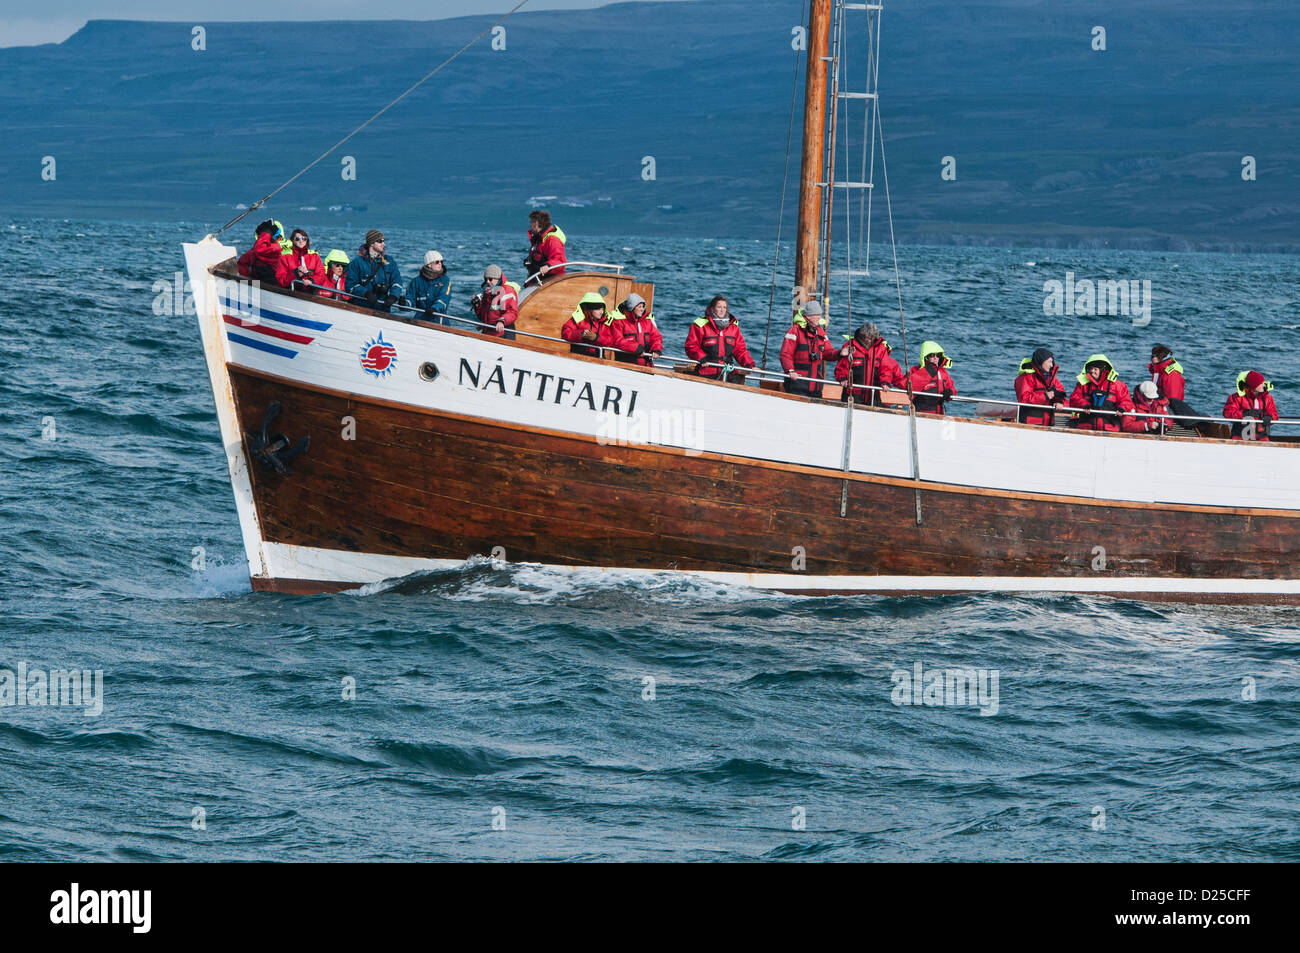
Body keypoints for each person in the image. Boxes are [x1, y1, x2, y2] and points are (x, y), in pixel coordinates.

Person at [685, 295, 756, 382]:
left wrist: (750, 365)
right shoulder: (700, 326)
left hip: (728, 372)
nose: (722, 310)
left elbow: (740, 350)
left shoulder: (733, 328)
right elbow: (691, 346)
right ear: (712, 309)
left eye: (724, 307)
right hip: (706, 372)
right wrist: (702, 358)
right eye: (719, 307)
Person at [835, 322, 906, 405]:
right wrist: (842, 378)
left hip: (873, 394)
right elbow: (842, 365)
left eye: (871, 337)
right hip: (852, 393)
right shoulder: (850, 346)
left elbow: (886, 367)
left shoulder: (881, 349)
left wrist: (885, 382)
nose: (868, 340)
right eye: (866, 337)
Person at [779, 300, 839, 397]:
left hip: (815, 387)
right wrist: (790, 371)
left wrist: (840, 353)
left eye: (820, 315)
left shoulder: (820, 332)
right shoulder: (795, 330)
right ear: (808, 316)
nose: (819, 317)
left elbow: (828, 352)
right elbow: (785, 354)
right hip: (797, 384)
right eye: (816, 315)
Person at [1069, 354, 1135, 432]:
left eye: (1095, 369)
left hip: (1111, 429)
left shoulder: (1118, 385)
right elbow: (1074, 399)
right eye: (1091, 369)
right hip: (1086, 428)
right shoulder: (1082, 385)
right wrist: (1084, 404)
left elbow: (1127, 401)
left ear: (1102, 370)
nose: (1092, 371)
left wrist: (1122, 408)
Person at [345, 230, 405, 311]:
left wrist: (393, 296)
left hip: (383, 308)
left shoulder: (390, 261)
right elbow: (350, 285)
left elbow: (397, 281)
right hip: (361, 307)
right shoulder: (357, 262)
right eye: (380, 241)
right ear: (372, 243)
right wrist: (365, 293)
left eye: (384, 241)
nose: (383, 244)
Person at [1014, 347, 1067, 426]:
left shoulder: (1052, 378)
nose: (1051, 365)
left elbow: (1062, 392)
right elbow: (1024, 399)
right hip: (1029, 424)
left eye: (1052, 362)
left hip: (1048, 424)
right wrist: (1045, 396)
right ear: (1041, 362)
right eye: (1049, 362)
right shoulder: (1026, 377)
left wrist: (1059, 402)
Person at [607, 293, 663, 366]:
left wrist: (657, 349)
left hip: (647, 365)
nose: (642, 309)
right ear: (632, 308)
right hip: (625, 364)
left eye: (643, 307)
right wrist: (635, 347)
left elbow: (656, 337)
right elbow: (617, 340)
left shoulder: (648, 322)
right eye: (639, 307)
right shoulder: (618, 322)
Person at [1223, 370, 1279, 441]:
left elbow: (1275, 415)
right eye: (1260, 383)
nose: (1263, 384)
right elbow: (1227, 413)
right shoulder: (1236, 398)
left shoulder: (1268, 398)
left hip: (1261, 437)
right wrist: (1244, 414)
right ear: (1254, 386)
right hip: (1239, 437)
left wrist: (1270, 418)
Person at [907, 341, 958, 414]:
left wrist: (950, 392)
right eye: (932, 355)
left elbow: (952, 388)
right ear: (926, 357)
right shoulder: (915, 370)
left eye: (938, 355)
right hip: (920, 412)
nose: (935, 358)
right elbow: (907, 387)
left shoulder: (943, 372)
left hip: (938, 414)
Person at [470, 265, 518, 339]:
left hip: (504, 333)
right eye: (485, 279)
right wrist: (478, 306)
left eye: (490, 279)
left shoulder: (508, 291)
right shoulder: (487, 293)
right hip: (489, 333)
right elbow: (483, 317)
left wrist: (502, 321)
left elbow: (512, 312)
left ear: (497, 279)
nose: (487, 282)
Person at [561, 292, 613, 357]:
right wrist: (581, 334)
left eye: (603, 309)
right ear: (590, 309)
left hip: (598, 359)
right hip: (577, 358)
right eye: (598, 309)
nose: (602, 312)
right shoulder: (578, 319)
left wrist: (596, 338)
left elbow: (611, 340)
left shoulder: (606, 322)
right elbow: (565, 332)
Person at [408, 250, 452, 323]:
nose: (440, 264)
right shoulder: (416, 281)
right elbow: (410, 298)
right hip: (420, 319)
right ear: (429, 264)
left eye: (441, 262)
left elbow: (445, 297)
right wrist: (404, 303)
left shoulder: (445, 280)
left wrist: (434, 308)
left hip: (439, 321)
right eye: (437, 262)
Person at [236, 219, 285, 284]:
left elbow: (260, 249)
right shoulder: (255, 251)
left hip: (272, 285)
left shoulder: (275, 248)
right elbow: (241, 263)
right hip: (258, 284)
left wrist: (265, 233)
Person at [525, 210, 567, 281]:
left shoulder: (552, 239)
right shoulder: (538, 239)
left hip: (551, 280)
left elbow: (559, 260)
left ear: (536, 223)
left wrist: (548, 266)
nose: (530, 225)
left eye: (531, 222)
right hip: (538, 279)